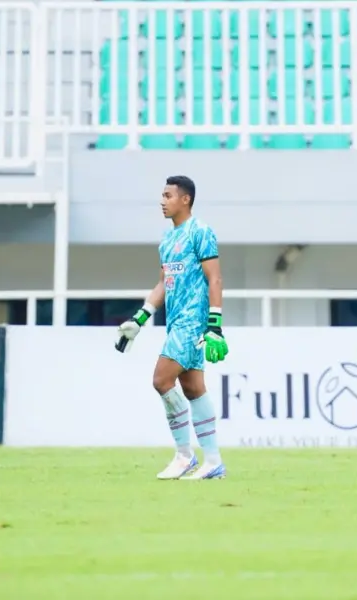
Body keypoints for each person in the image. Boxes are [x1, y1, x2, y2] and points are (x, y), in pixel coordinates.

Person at [115, 175, 229, 480]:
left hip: (193, 322)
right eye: (162, 196)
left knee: (161, 379)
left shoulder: (200, 231)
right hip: (176, 322)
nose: (162, 201)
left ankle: (184, 455)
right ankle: (213, 462)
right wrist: (139, 319)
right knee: (193, 388)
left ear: (185, 199)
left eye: (168, 196)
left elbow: (215, 278)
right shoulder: (167, 240)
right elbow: (163, 284)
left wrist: (215, 325)